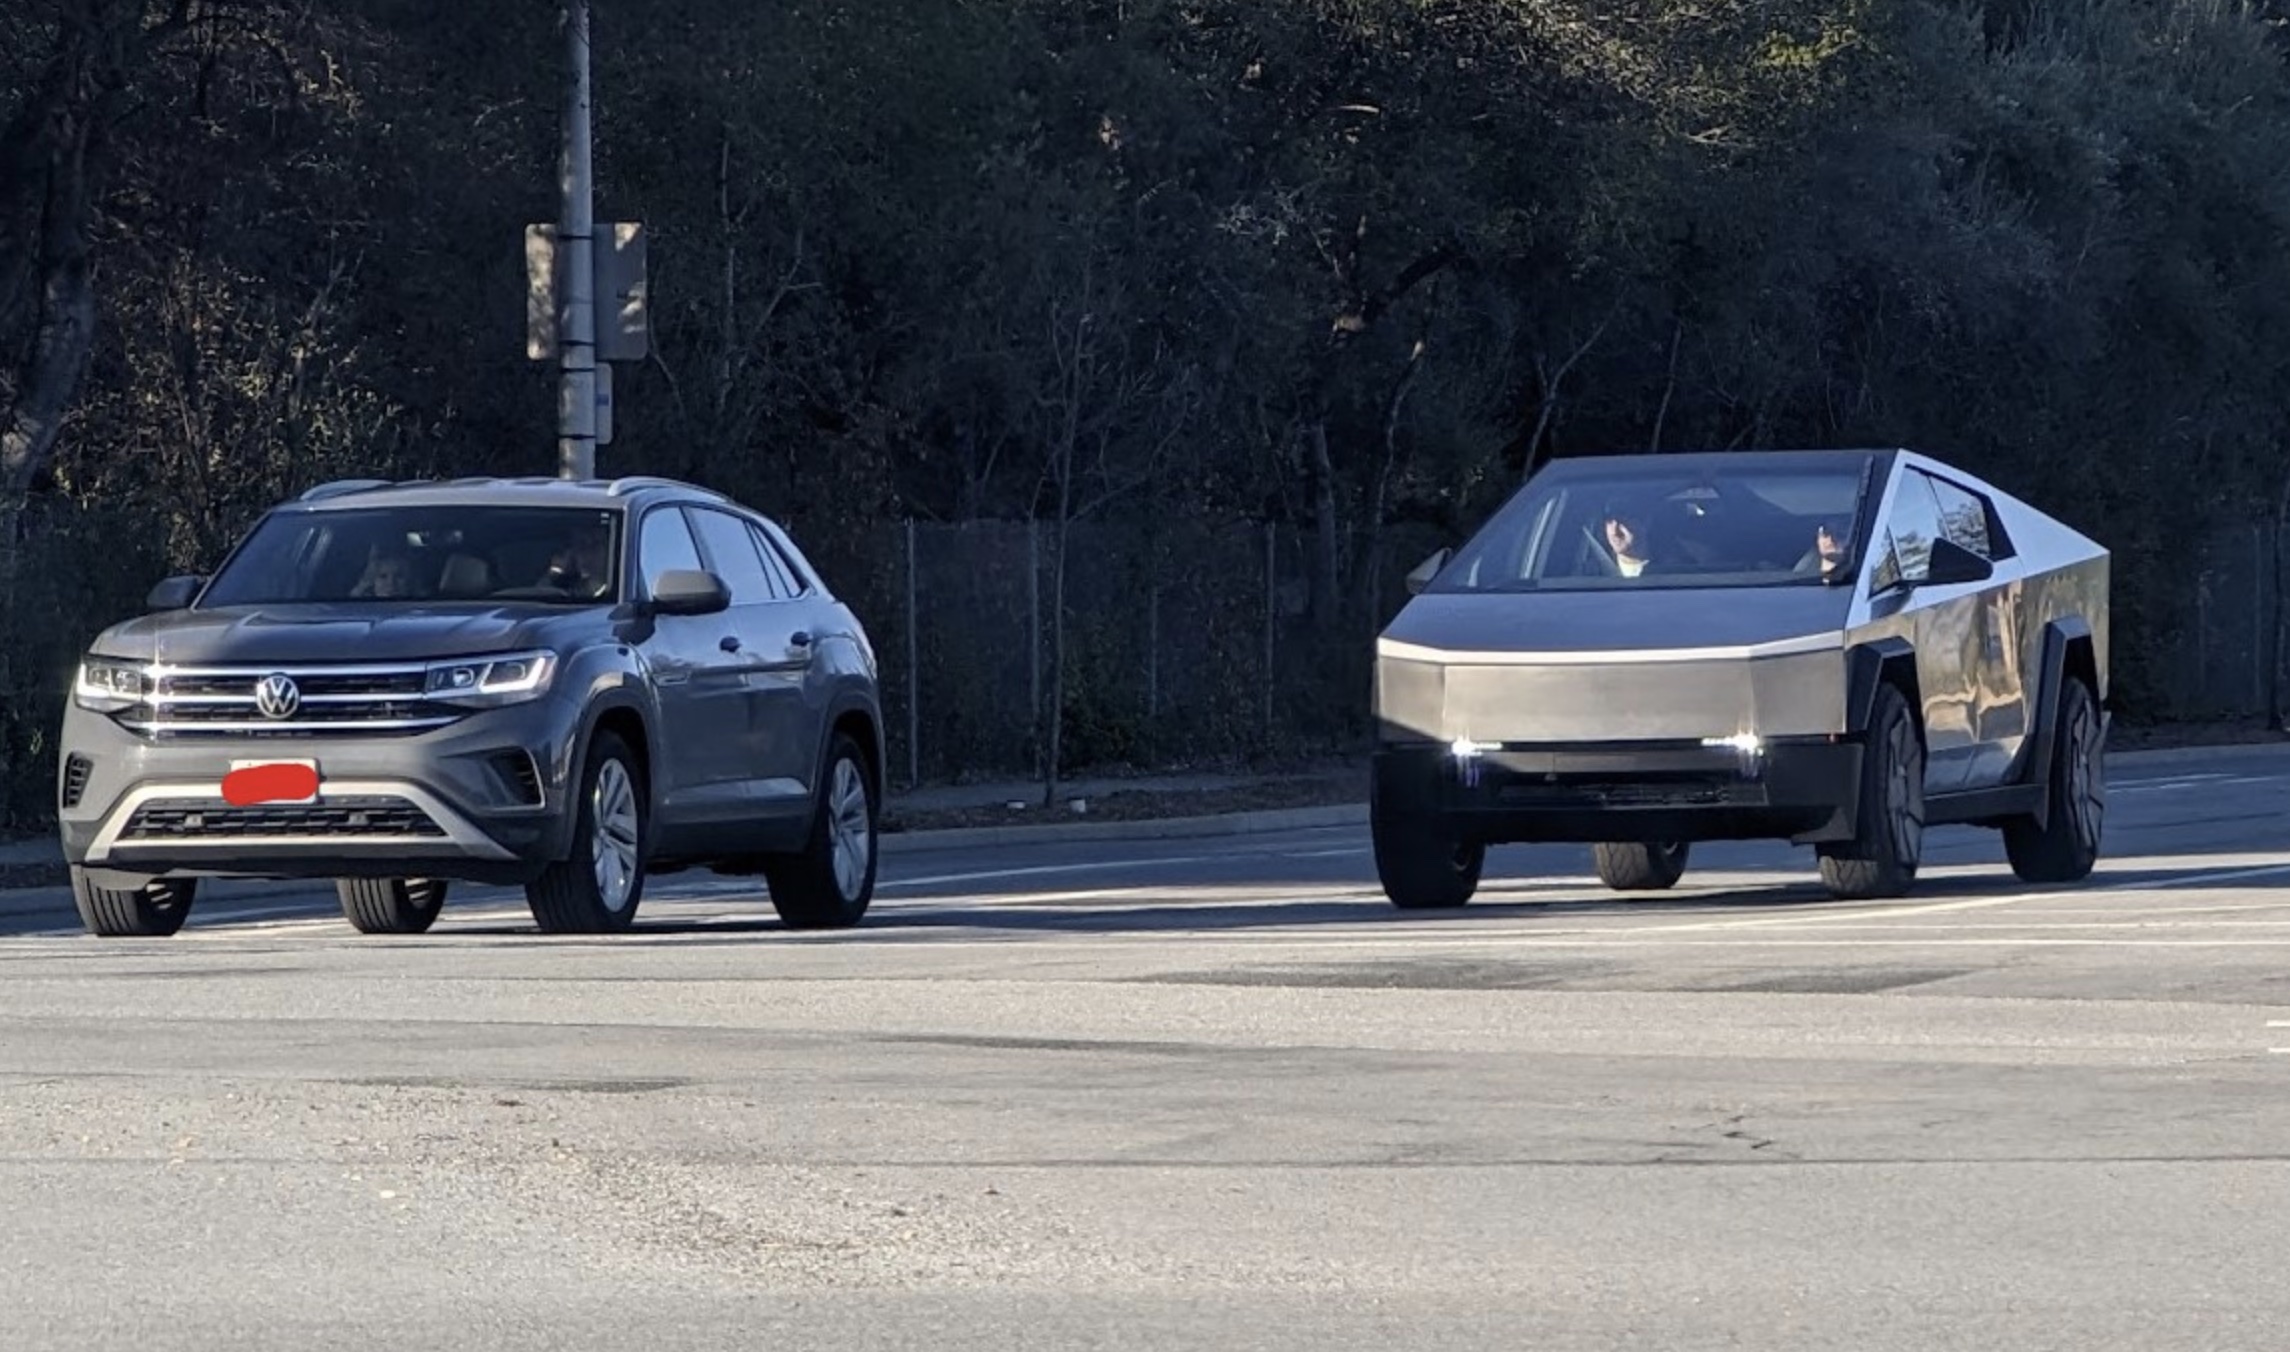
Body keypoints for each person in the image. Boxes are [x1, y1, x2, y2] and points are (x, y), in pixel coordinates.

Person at [542, 520, 616, 599]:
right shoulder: (565, 590)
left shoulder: (619, 590)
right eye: (581, 544)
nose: (586, 552)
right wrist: (556, 570)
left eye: (595, 545)